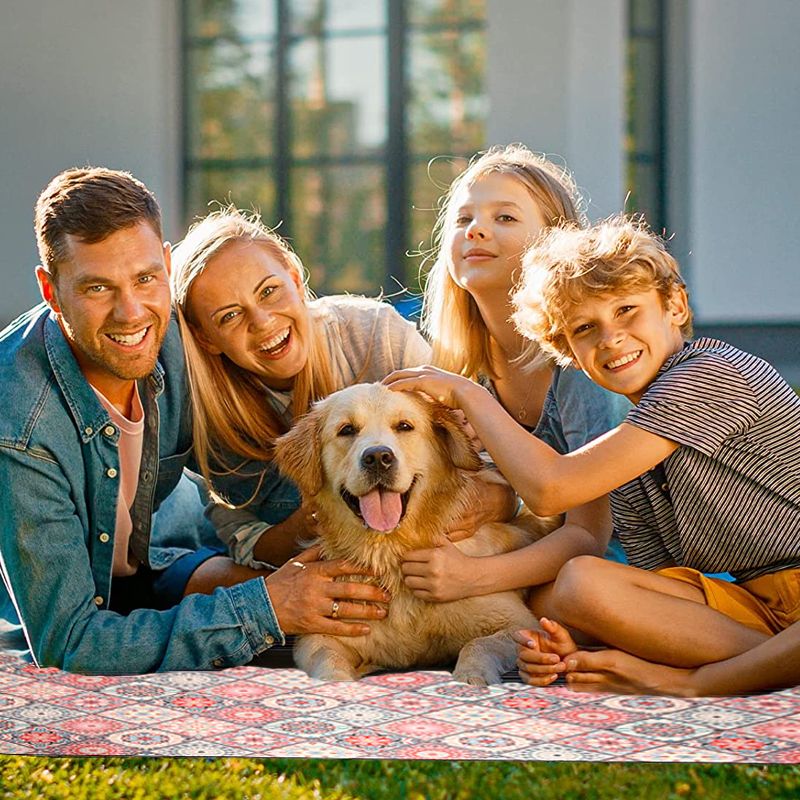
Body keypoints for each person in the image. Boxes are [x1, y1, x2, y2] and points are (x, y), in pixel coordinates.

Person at [385, 215, 800, 696]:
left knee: (580, 589)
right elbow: (629, 573)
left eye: (627, 310)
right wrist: (563, 645)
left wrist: (466, 395)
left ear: (676, 306)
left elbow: (549, 489)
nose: (611, 338)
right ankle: (770, 660)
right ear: (566, 351)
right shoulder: (634, 428)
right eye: (585, 328)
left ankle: (701, 681)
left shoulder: (709, 374)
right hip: (752, 602)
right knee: (567, 590)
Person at [0, 167, 389, 674]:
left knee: (336, 597)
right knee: (281, 606)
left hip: (160, 558)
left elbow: (275, 326)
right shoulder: (18, 426)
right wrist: (269, 607)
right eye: (97, 288)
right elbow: (70, 641)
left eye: (145, 278)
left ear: (165, 264)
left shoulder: (185, 341)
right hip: (67, 603)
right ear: (51, 291)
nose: (131, 312)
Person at [169, 207, 515, 573]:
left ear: (295, 281)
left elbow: (492, 464)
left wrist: (492, 503)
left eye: (269, 291)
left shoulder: (377, 337)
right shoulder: (211, 412)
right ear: (207, 339)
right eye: (230, 315)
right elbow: (241, 538)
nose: (263, 322)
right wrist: (309, 523)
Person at [398, 144, 630, 606]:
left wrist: (472, 578)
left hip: (613, 569)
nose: (477, 229)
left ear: (554, 244)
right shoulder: (458, 367)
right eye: (463, 220)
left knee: (557, 599)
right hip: (520, 561)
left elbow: (591, 535)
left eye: (505, 218)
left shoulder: (580, 362)